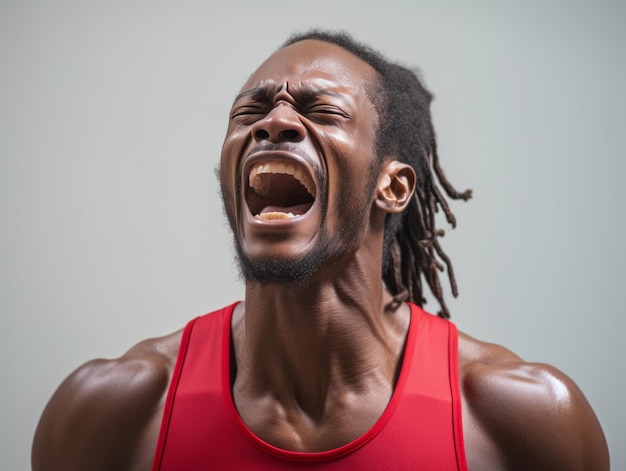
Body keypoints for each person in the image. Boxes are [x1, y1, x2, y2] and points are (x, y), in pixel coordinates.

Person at [32, 30, 609, 470]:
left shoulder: (522, 420)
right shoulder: (113, 414)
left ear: (394, 186)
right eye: (250, 112)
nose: (275, 121)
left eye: (321, 110)